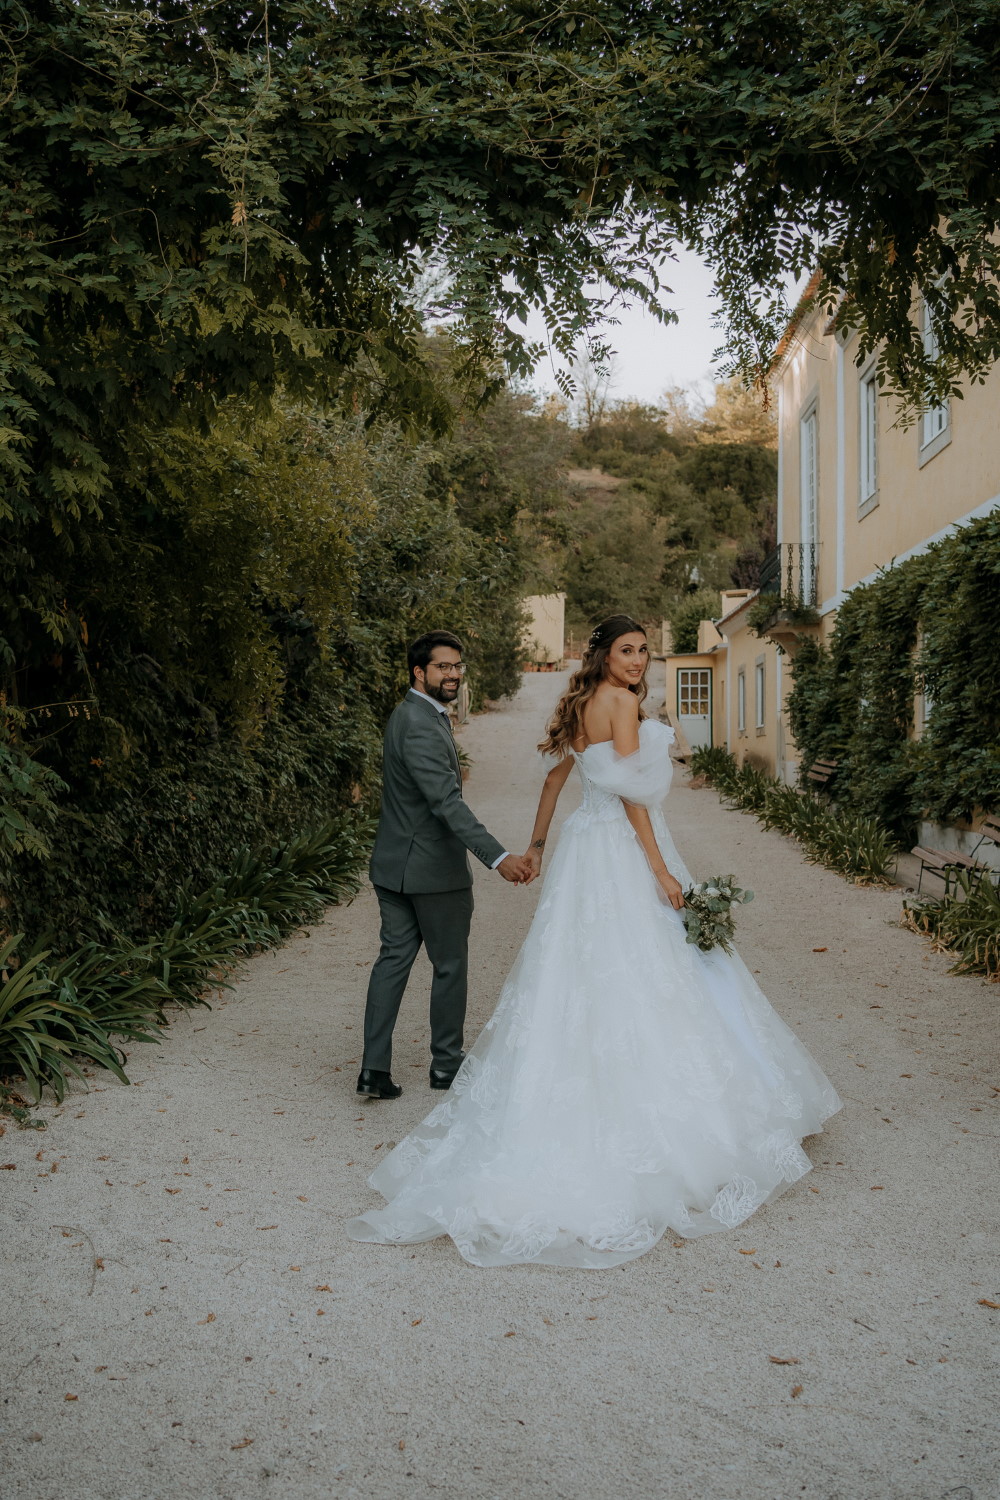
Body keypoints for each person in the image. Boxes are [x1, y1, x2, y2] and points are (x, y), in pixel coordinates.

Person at [348, 615, 842, 1267]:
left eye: (644, 652)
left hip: (584, 846)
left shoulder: (578, 702)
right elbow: (636, 799)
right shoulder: (620, 703)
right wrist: (661, 868)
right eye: (627, 651)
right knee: (649, 966)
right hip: (620, 846)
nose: (638, 661)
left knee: (574, 969)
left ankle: (421, 1069)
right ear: (605, 656)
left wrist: (540, 845)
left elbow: (557, 780)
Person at [357, 630, 532, 1101]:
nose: (453, 674)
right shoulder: (418, 722)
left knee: (392, 963)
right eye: (443, 667)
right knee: (450, 966)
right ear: (420, 672)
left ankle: (374, 1070)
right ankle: (446, 1068)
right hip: (432, 872)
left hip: (394, 867)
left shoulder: (411, 714)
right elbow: (446, 804)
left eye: (457, 666)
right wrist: (499, 858)